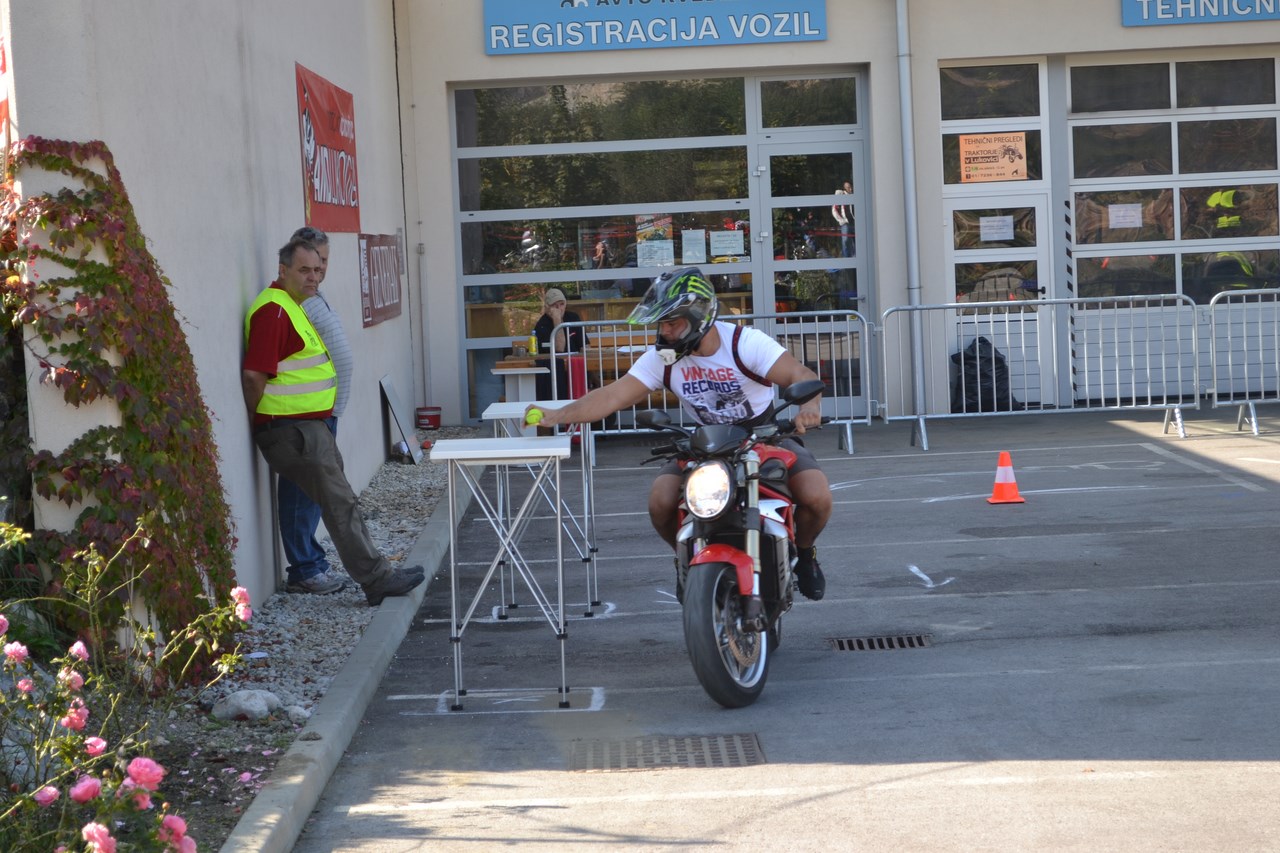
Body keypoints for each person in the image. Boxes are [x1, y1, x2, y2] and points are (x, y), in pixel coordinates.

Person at [529, 267, 833, 600]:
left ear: (699, 317)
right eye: (661, 323)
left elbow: (799, 374)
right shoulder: (665, 358)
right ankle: (685, 559)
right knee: (660, 502)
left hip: (764, 434)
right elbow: (612, 395)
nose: (665, 331)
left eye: (672, 323)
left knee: (817, 497)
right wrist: (557, 415)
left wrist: (810, 405)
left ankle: (805, 554)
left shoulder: (744, 343)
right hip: (707, 442)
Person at [243, 236, 424, 606]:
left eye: (317, 269)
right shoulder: (274, 310)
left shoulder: (293, 306)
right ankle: (377, 580)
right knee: (340, 505)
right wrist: (262, 422)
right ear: (283, 271)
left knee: (342, 503)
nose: (313, 277)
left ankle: (374, 575)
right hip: (292, 430)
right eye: (304, 270)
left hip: (306, 428)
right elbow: (253, 376)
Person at [273, 226, 353, 595]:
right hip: (306, 415)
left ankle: (311, 562)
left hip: (323, 410)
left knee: (315, 492)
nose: (319, 272)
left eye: (323, 264)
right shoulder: (295, 301)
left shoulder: (313, 296)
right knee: (300, 493)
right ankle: (304, 569)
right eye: (313, 264)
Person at [533, 288, 587, 401]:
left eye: (562, 304)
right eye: (555, 305)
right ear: (547, 307)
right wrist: (557, 320)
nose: (559, 308)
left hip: (576, 368)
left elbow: (585, 345)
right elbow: (560, 348)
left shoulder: (573, 317)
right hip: (555, 374)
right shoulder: (542, 325)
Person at [832, 180, 854, 258]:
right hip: (845, 223)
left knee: (856, 242)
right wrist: (842, 221)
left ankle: (855, 259)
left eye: (851, 187)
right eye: (848, 187)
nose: (851, 189)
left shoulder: (854, 196)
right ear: (844, 188)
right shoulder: (841, 196)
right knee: (845, 241)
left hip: (855, 223)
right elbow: (834, 210)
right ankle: (847, 260)